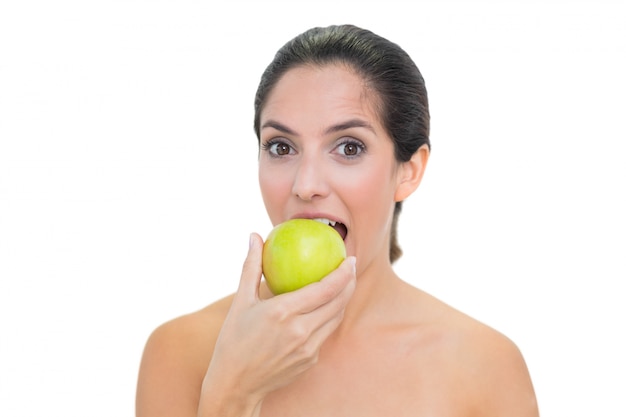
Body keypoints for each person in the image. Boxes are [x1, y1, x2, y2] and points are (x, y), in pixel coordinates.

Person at [135, 24, 539, 417]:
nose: (306, 185)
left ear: (408, 171)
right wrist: (234, 391)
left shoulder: (485, 367)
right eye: (281, 146)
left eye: (349, 147)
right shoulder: (182, 351)